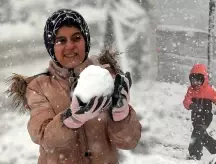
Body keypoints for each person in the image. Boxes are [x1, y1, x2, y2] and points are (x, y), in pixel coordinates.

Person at [6, 9, 141, 164]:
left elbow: (129, 142)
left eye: (76, 38)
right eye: (61, 41)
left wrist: (121, 115)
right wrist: (72, 118)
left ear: (86, 41)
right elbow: (44, 139)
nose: (70, 46)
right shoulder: (39, 87)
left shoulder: (106, 78)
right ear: (51, 47)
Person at [183, 63, 216, 160]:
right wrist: (191, 105)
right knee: (201, 134)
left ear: (204, 79)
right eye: (193, 81)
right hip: (195, 116)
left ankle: (195, 154)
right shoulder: (191, 90)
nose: (196, 83)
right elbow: (186, 101)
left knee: (197, 133)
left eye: (198, 81)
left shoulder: (209, 91)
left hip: (206, 116)